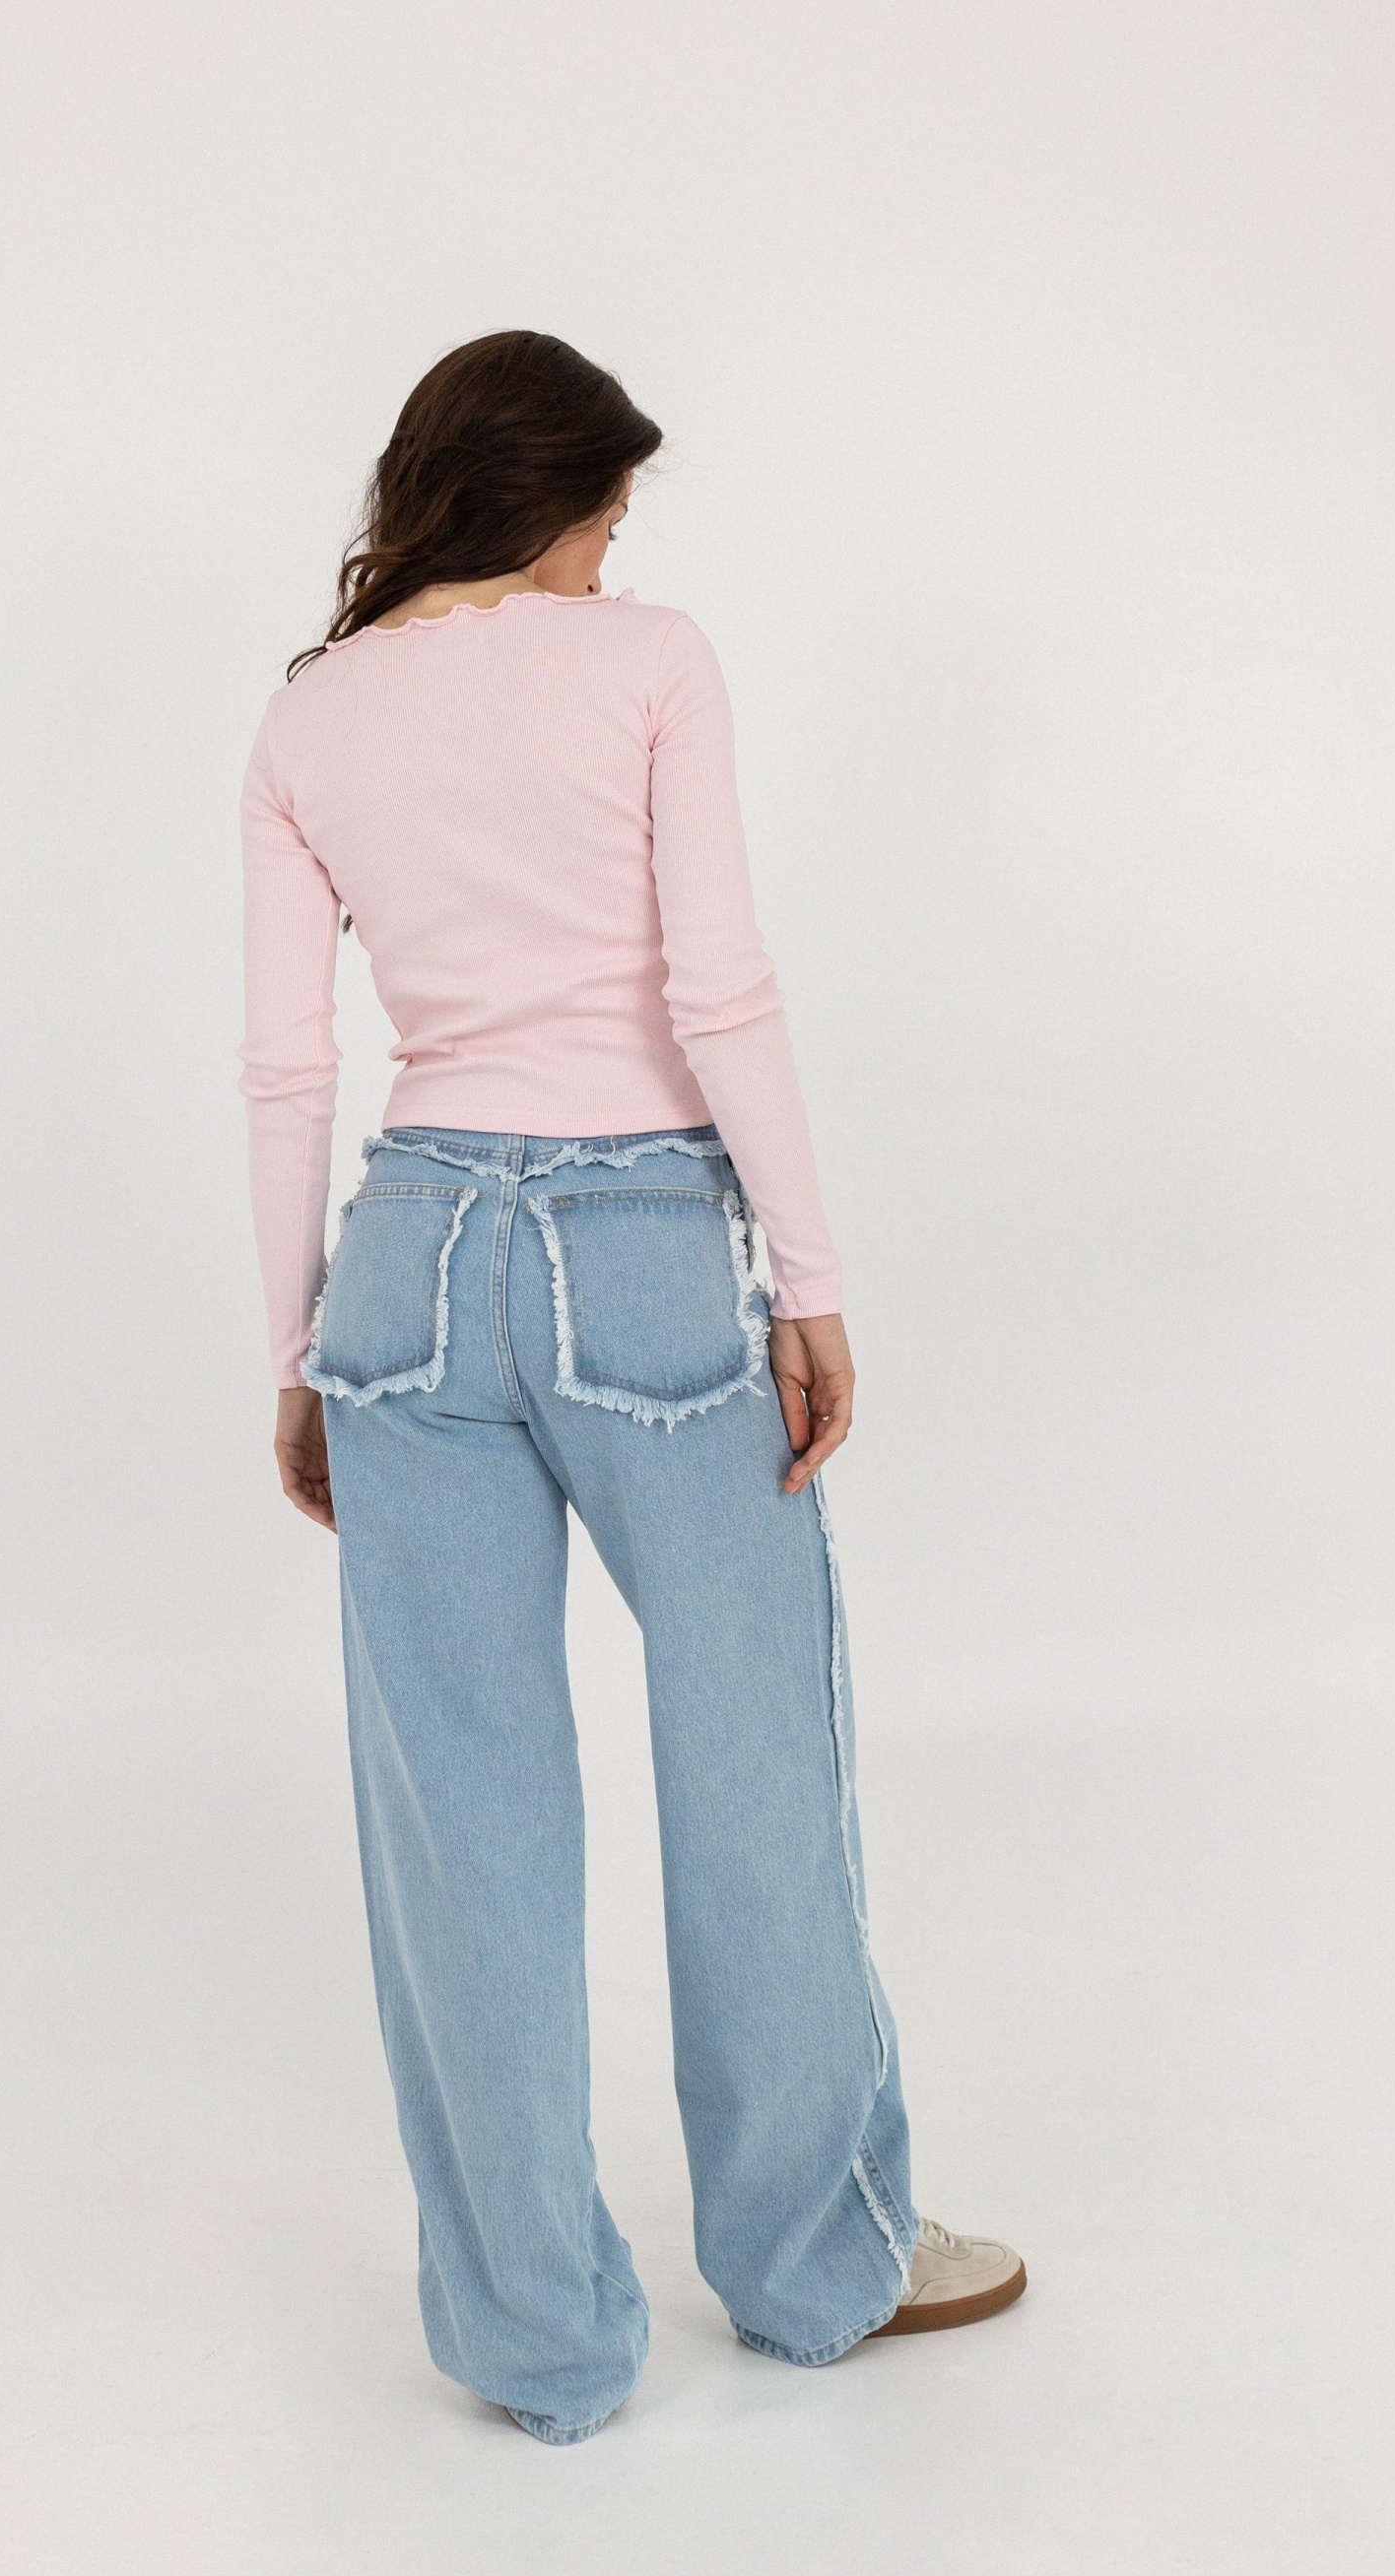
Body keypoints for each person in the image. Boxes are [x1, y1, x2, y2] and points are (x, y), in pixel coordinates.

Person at [238, 330, 1025, 2445]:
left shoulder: (310, 715)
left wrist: (297, 1342)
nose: (611, 550)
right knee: (753, 1758)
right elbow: (718, 983)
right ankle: (809, 2262)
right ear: (554, 496)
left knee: (461, 1817)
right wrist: (809, 1279)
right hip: (643, 1247)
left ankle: (535, 2340)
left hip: (401, 1262)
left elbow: (289, 1065)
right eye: (606, 509)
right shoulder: (648, 660)